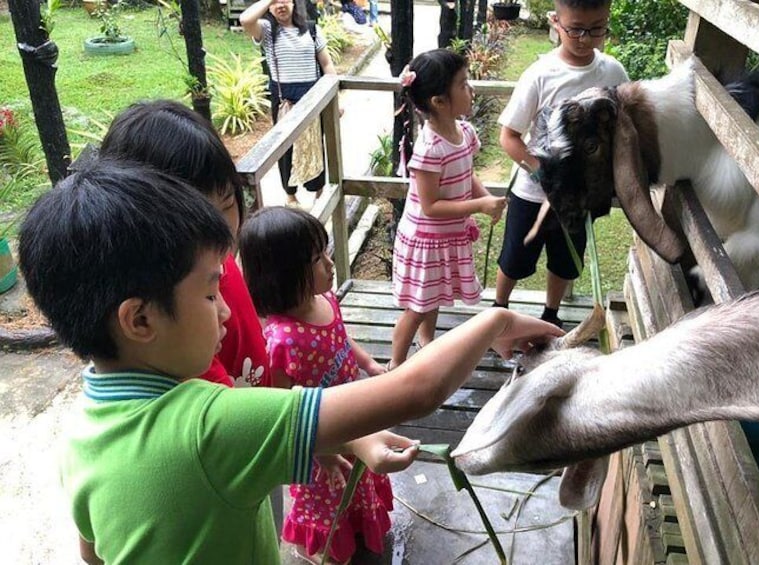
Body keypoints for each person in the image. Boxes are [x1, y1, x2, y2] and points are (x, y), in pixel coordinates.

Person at [18, 159, 562, 563]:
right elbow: (417, 390)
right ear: (139, 321)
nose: (230, 312)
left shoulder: (81, 434)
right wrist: (496, 322)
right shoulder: (210, 427)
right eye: (211, 294)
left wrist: (348, 437)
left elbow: (92, 553)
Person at [240, 206, 391, 564]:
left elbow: (341, 337)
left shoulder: (326, 300)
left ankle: (356, 526)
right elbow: (281, 407)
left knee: (357, 480)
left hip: (353, 417)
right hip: (319, 443)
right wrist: (319, 451)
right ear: (282, 275)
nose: (329, 263)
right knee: (330, 501)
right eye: (315, 258)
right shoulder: (282, 340)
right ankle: (328, 548)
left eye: (325, 251)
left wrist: (367, 363)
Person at [99, 100, 272, 389]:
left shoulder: (216, 258)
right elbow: (225, 413)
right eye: (200, 220)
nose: (220, 232)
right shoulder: (176, 322)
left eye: (228, 203)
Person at [494, 0, 629, 327]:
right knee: (515, 257)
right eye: (576, 29)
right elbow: (509, 136)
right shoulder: (540, 74)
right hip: (533, 193)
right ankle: (498, 310)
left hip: (578, 197)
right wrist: (540, 171)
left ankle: (551, 314)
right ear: (556, 22)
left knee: (566, 260)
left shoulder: (613, 72)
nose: (586, 38)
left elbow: (623, 128)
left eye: (597, 28)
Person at [390, 49, 507, 369]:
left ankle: (426, 342)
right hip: (425, 240)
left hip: (445, 236)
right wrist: (480, 205)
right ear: (439, 101)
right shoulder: (430, 149)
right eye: (463, 84)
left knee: (435, 295)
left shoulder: (464, 133)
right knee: (417, 306)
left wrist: (486, 200)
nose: (471, 90)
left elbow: (466, 174)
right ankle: (394, 367)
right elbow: (431, 206)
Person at [240, 0, 335, 208]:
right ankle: (290, 195)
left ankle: (319, 190)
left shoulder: (311, 30)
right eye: (275, 3)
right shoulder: (266, 31)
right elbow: (245, 19)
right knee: (285, 149)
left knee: (315, 145)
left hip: (313, 97)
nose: (280, 6)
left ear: (293, 3)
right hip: (284, 100)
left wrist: (335, 100)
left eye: (284, 0)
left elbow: (326, 64)